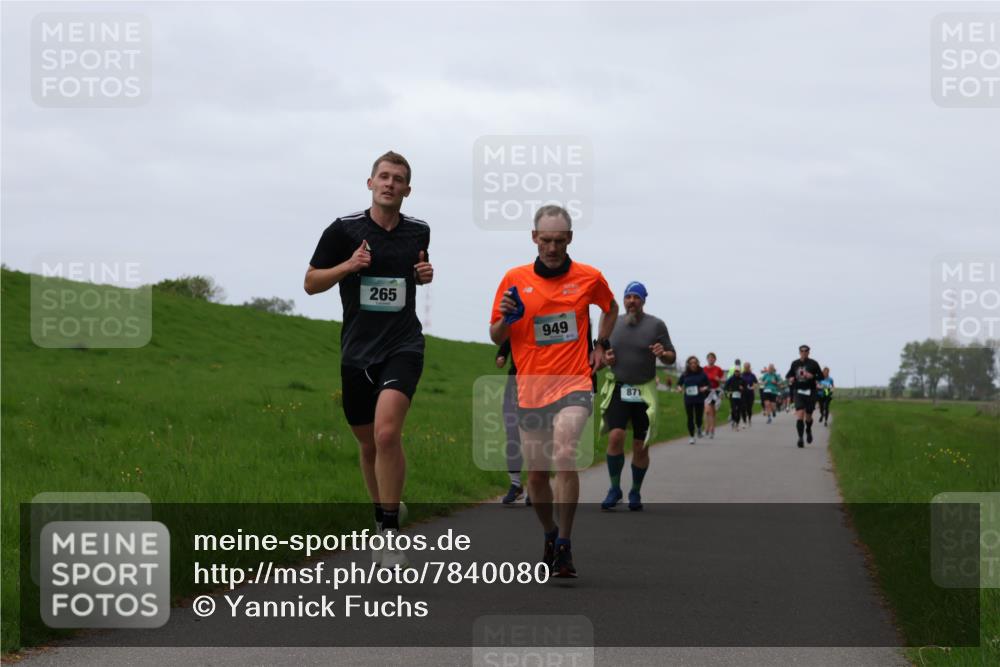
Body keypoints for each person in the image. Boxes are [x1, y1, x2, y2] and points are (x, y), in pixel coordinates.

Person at [304, 151, 433, 569]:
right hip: (357, 350)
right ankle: (380, 514)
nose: (390, 184)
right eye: (384, 177)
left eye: (398, 179)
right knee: (366, 444)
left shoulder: (419, 231)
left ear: (407, 190)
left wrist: (422, 275)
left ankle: (390, 530)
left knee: (386, 435)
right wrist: (349, 265)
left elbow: (411, 272)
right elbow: (310, 284)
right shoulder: (343, 230)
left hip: (403, 344)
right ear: (370, 183)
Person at [490, 205, 617, 578]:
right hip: (530, 388)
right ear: (534, 238)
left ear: (570, 239)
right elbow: (496, 335)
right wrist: (504, 318)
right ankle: (548, 534)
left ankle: (564, 542)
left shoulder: (589, 277)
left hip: (575, 381)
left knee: (565, 450)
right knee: (535, 476)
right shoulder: (514, 278)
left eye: (559, 241)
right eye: (545, 240)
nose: (552, 248)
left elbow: (609, 309)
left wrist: (600, 343)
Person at [598, 281, 676, 511]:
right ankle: (614, 489)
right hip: (619, 388)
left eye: (636, 297)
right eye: (628, 297)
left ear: (643, 301)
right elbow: (599, 358)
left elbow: (671, 356)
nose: (632, 301)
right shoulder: (613, 324)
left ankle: (635, 491)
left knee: (641, 446)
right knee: (615, 436)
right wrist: (606, 360)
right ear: (623, 300)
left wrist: (663, 354)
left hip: (643, 390)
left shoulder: (656, 325)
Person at [496, 341, 531, 505]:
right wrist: (501, 356)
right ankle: (516, 484)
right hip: (514, 385)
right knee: (512, 435)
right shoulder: (517, 322)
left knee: (534, 439)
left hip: (540, 384)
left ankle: (535, 486)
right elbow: (507, 342)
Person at [785, 345, 824, 447]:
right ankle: (800, 438)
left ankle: (808, 429)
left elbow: (821, 376)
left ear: (808, 352)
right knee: (800, 414)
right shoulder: (795, 363)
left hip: (811, 391)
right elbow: (788, 375)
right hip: (798, 391)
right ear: (799, 352)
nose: (804, 352)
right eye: (802, 351)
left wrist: (813, 376)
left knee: (808, 417)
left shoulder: (814, 363)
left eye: (806, 351)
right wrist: (791, 378)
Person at [678, 356, 711, 444]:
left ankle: (699, 428)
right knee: (690, 417)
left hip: (699, 398)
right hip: (688, 398)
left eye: (695, 363)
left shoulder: (702, 374)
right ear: (688, 364)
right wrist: (680, 388)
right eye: (691, 363)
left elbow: (709, 385)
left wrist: (704, 388)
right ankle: (692, 436)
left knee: (698, 417)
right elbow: (679, 384)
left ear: (697, 364)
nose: (693, 364)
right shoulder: (685, 374)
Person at [702, 352, 725, 439]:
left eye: (712, 358)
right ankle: (706, 429)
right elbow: (701, 379)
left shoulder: (718, 369)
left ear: (715, 360)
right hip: (706, 391)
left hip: (715, 392)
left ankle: (712, 430)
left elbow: (723, 380)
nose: (711, 359)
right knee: (706, 411)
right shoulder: (703, 369)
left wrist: (719, 379)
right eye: (709, 358)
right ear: (707, 359)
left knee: (712, 412)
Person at [740, 362, 758, 427]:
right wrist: (740, 386)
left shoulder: (752, 375)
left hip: (750, 394)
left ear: (749, 367)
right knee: (743, 408)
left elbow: (756, 383)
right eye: (745, 367)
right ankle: (744, 421)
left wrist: (754, 386)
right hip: (743, 393)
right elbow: (738, 382)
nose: (746, 368)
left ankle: (749, 419)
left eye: (747, 367)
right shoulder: (741, 375)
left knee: (749, 408)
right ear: (744, 367)